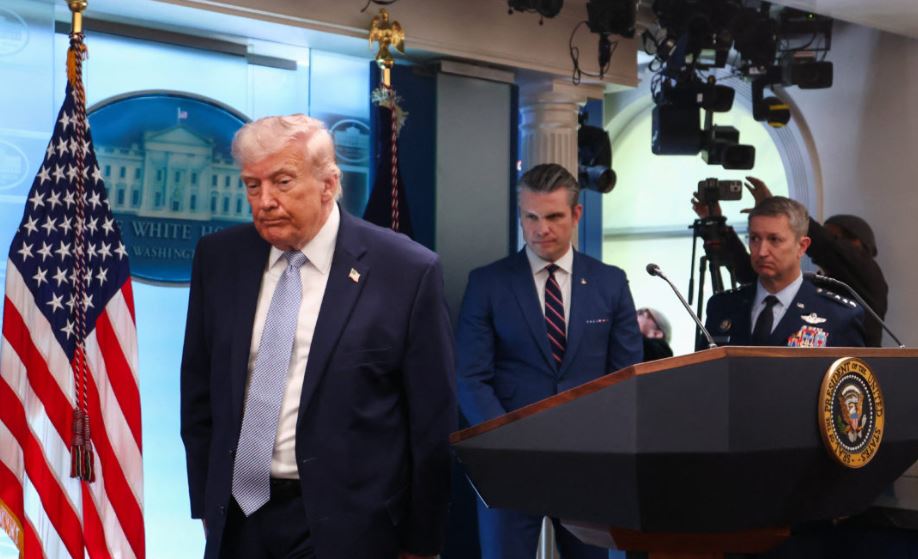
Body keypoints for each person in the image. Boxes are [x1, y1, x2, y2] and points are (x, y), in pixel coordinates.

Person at [180, 114, 455, 559]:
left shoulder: (405, 271)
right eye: (252, 185)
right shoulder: (220, 258)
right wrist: (206, 504)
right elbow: (198, 394)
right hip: (239, 519)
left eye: (282, 182)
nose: (265, 201)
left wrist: (422, 543)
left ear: (328, 184)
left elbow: (431, 424)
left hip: (351, 526)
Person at [456, 163, 643, 559]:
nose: (542, 229)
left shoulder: (610, 282)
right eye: (531, 217)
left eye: (554, 216)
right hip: (509, 462)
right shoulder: (487, 283)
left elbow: (626, 377)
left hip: (587, 462)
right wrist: (508, 443)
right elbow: (470, 377)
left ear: (576, 214)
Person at [692, 176, 888, 346]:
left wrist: (778, 207)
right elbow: (748, 270)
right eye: (754, 238)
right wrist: (718, 226)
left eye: (775, 239)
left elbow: (827, 247)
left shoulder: (864, 281)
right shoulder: (726, 304)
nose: (763, 251)